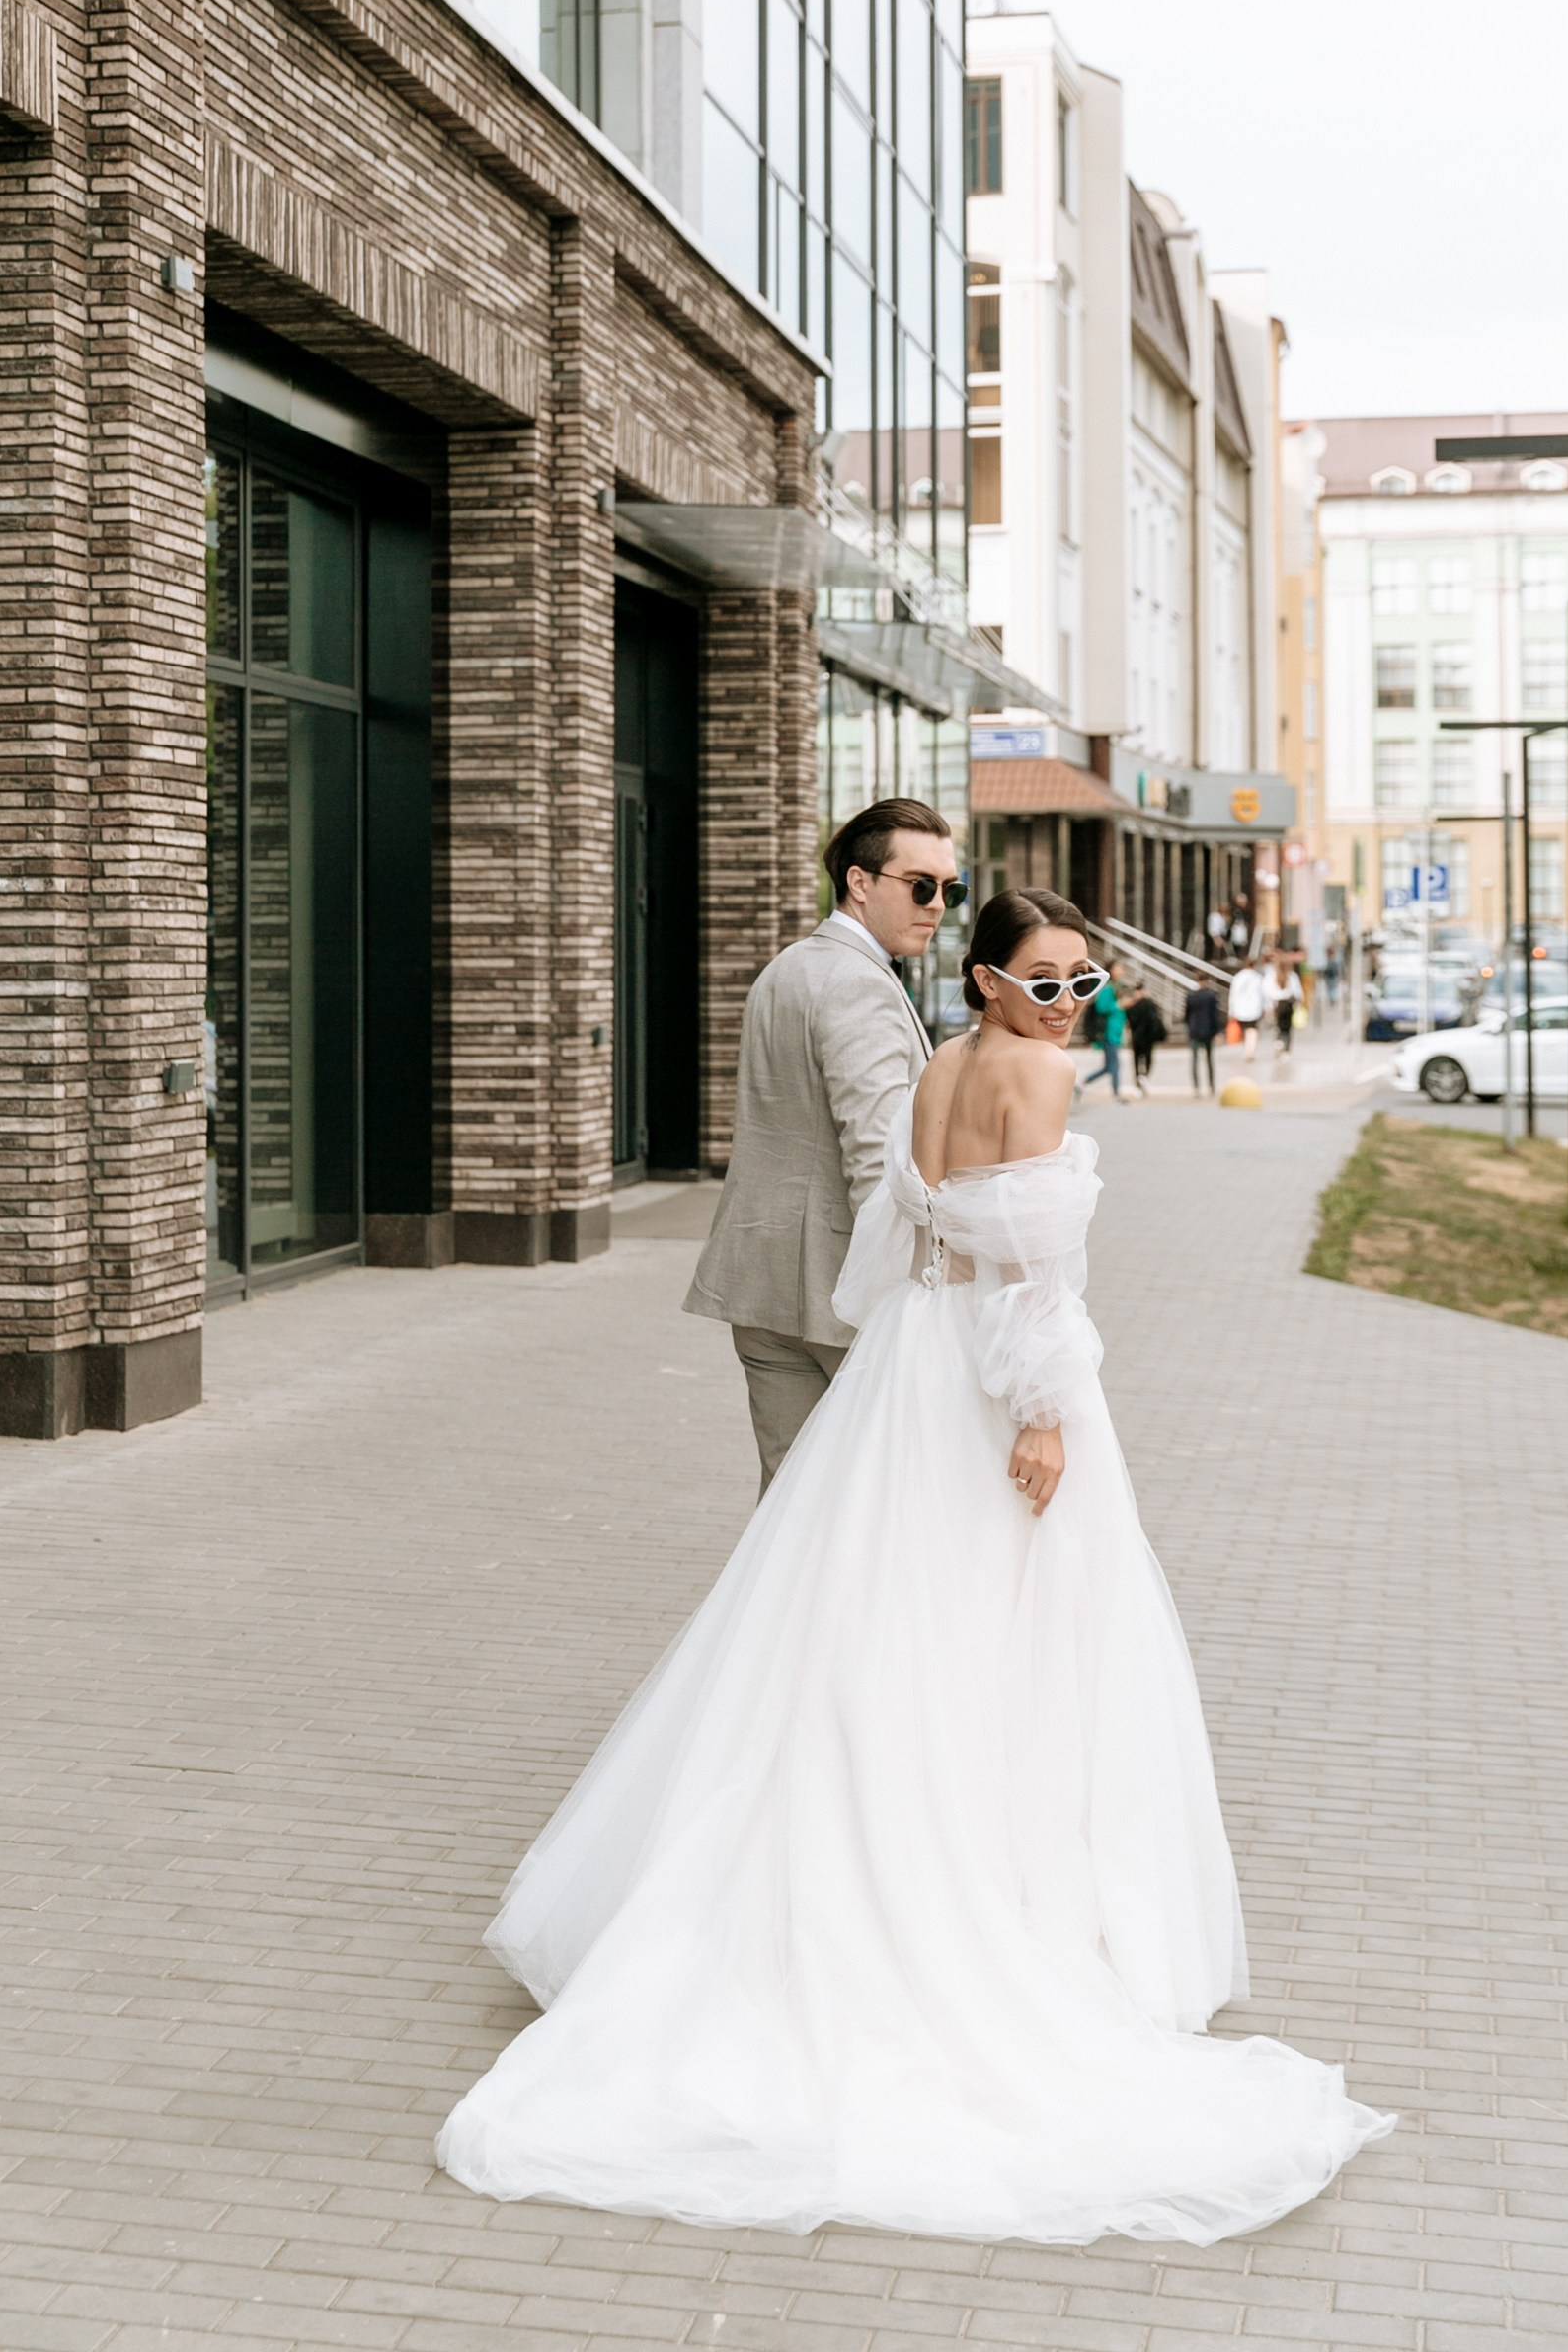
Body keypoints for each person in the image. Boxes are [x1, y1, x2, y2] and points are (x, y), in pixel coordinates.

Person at [437, 887, 1391, 2244]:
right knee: (1008, 1631)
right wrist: (1044, 1414)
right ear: (989, 980)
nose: (1070, 1005)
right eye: (1044, 981)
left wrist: (932, 1357)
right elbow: (1034, 1278)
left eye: (1085, 981)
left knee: (867, 1624)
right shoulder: (1033, 1077)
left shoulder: (943, 1061)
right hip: (995, 1381)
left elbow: (911, 1240)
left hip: (909, 1366)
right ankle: (983, 1901)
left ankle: (841, 1875)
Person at [685, 797, 958, 1494]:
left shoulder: (789, 967)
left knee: (792, 1504)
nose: (937, 906)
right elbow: (878, 1158)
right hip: (839, 1298)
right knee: (882, 1502)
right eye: (921, 886)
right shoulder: (858, 985)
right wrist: (914, 1295)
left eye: (949, 890)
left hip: (763, 1286)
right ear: (859, 882)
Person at [1078, 958, 1128, 1099]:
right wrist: (1118, 1005)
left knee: (1109, 1067)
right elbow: (1101, 1007)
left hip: (1116, 1032)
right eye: (1118, 967)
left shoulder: (1117, 987)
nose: (1121, 971)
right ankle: (1116, 1094)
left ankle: (1083, 1083)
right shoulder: (1107, 989)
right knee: (1114, 1066)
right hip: (1108, 1032)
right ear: (1111, 970)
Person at [1124, 979, 1167, 1097]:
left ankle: (1139, 1083)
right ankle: (1144, 1079)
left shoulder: (1133, 1005)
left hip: (1137, 1037)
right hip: (1147, 1037)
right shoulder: (1149, 1004)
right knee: (1147, 1060)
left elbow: (1129, 1020)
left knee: (1137, 1061)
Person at [1183, 975, 1223, 1095]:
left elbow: (1186, 1016)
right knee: (1209, 1059)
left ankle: (1196, 1087)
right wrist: (1218, 1030)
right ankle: (1211, 1085)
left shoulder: (1191, 997)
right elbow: (1215, 1015)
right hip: (1208, 1031)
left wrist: (1189, 1027)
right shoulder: (1211, 996)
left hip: (1194, 1031)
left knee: (1194, 1060)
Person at [1226, 953, 1266, 1060]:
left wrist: (1231, 1009)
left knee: (1245, 1029)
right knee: (1252, 1029)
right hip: (1255, 1007)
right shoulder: (1258, 977)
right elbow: (1263, 993)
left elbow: (1234, 994)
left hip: (1241, 1007)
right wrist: (1265, 1006)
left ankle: (1246, 1049)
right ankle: (1251, 1050)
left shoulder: (1239, 977)